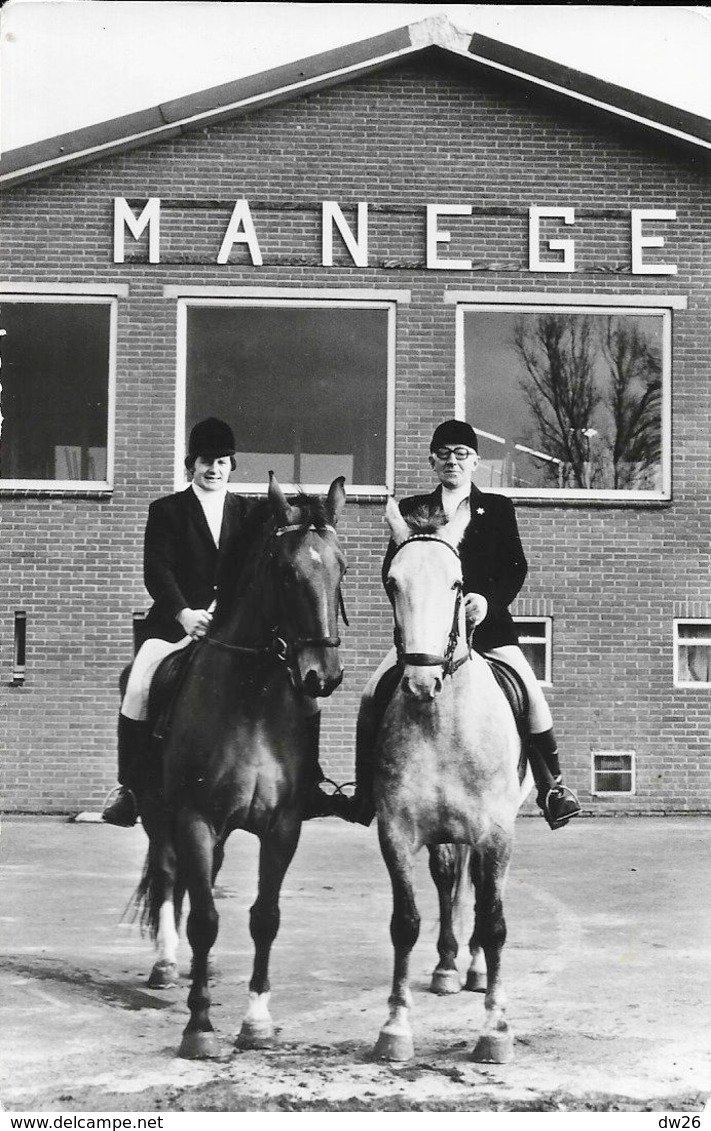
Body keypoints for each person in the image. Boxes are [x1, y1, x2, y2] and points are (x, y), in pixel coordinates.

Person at [102, 417, 347, 826]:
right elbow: (157, 570)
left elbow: (267, 565)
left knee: (303, 690)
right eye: (205, 461)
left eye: (221, 461)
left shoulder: (251, 511)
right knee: (140, 681)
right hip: (178, 624)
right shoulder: (167, 510)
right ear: (190, 466)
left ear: (231, 465)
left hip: (237, 629)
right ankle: (131, 786)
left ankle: (310, 780)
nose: (213, 469)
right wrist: (184, 613)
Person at [351, 418, 581, 830]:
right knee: (371, 695)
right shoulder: (411, 511)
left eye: (461, 454)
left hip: (488, 631)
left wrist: (487, 601)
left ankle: (554, 788)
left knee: (531, 696)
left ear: (475, 461)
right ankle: (365, 793)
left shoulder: (496, 508)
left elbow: (516, 567)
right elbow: (393, 572)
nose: (452, 461)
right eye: (443, 454)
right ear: (432, 462)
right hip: (425, 637)